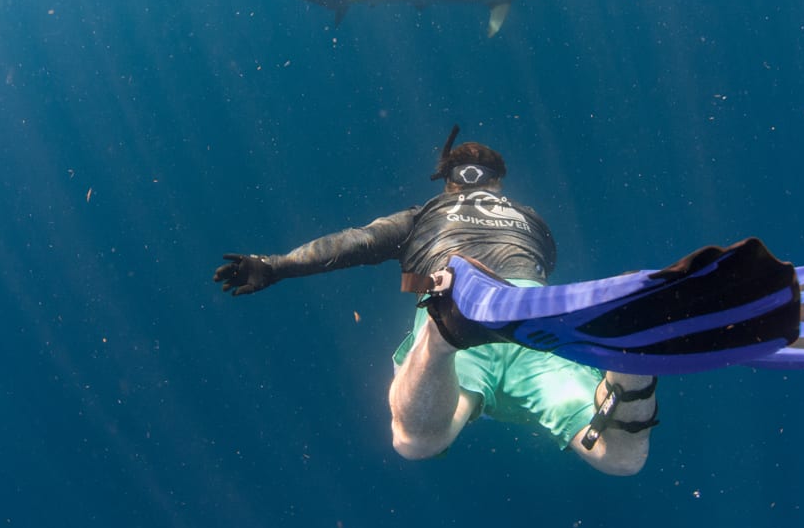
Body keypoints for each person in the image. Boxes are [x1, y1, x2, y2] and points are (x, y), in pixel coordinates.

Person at [214, 126, 658, 476]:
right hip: (531, 316)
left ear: (447, 184)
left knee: (416, 442)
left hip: (457, 300)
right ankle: (630, 360)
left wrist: (274, 264)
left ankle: (443, 337)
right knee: (621, 459)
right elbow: (540, 266)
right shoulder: (531, 219)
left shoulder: (423, 214)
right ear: (499, 183)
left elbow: (354, 243)